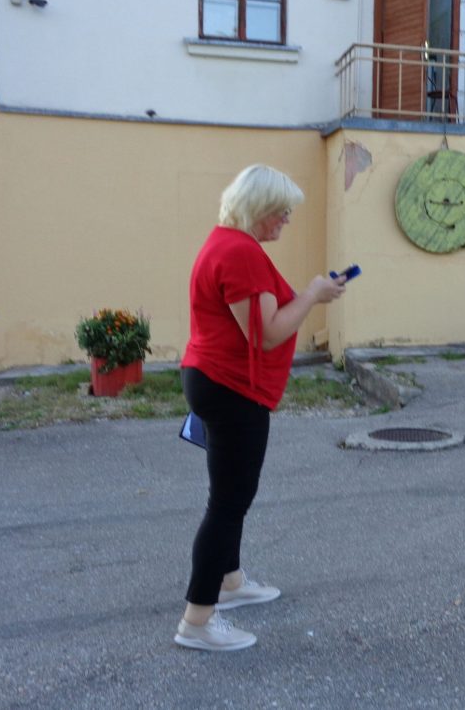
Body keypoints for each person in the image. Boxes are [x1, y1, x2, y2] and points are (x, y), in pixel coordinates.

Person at [175, 164, 346, 651]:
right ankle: (197, 620)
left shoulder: (227, 244)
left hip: (217, 381)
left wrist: (313, 294)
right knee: (228, 504)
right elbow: (267, 333)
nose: (287, 220)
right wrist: (313, 295)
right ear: (259, 208)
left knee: (228, 494)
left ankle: (229, 581)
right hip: (231, 387)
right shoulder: (240, 253)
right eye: (282, 211)